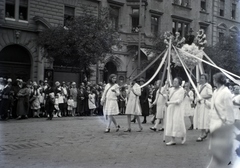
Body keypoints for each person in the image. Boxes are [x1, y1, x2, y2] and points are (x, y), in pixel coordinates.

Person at [165, 77, 186, 145]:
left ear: (179, 83)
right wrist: (166, 84)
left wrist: (169, 103)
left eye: (176, 82)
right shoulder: (171, 89)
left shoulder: (181, 90)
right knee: (171, 122)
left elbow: (179, 101)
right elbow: (165, 93)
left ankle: (183, 135)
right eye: (173, 81)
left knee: (178, 122)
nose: (174, 83)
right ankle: (172, 139)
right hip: (171, 108)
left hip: (178, 108)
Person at [194, 74, 212, 142]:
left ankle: (202, 134)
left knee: (203, 119)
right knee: (200, 119)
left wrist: (201, 98)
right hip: (200, 105)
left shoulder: (208, 86)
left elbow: (210, 95)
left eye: (203, 78)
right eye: (201, 78)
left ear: (206, 79)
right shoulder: (199, 86)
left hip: (205, 104)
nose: (201, 79)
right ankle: (205, 132)